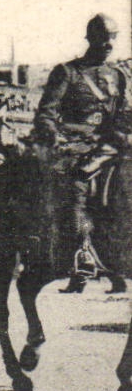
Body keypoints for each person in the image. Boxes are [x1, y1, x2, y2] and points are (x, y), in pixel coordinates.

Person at [34, 15, 127, 292]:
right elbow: (46, 114)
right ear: (90, 38)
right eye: (103, 37)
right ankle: (81, 255)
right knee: (77, 186)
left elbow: (123, 113)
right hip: (76, 147)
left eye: (113, 36)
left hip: (111, 144)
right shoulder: (67, 72)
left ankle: (117, 265)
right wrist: (57, 140)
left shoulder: (118, 75)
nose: (109, 43)